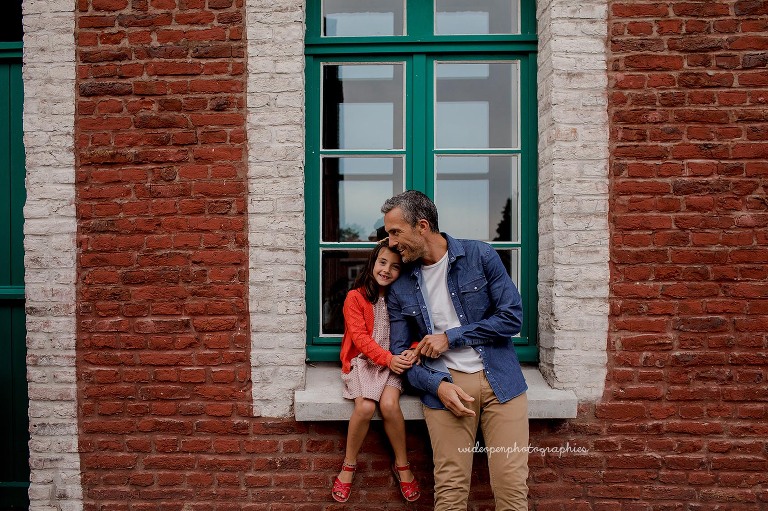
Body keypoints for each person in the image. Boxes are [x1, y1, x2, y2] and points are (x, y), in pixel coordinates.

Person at [382, 190, 529, 511]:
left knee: (511, 487)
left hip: (501, 382)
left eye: (396, 232)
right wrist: (437, 386)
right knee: (449, 492)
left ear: (422, 226)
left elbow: (512, 316)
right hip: (445, 387)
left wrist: (451, 338)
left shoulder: (480, 257)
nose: (391, 243)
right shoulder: (401, 286)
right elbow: (400, 354)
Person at [332, 239, 421, 503]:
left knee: (390, 406)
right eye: (382, 263)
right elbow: (360, 339)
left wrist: (413, 349)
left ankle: (402, 465)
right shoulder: (355, 297)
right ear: (373, 263)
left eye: (395, 267)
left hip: (393, 363)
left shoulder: (403, 299)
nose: (386, 270)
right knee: (365, 408)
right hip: (364, 362)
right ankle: (349, 465)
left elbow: (418, 330)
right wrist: (387, 359)